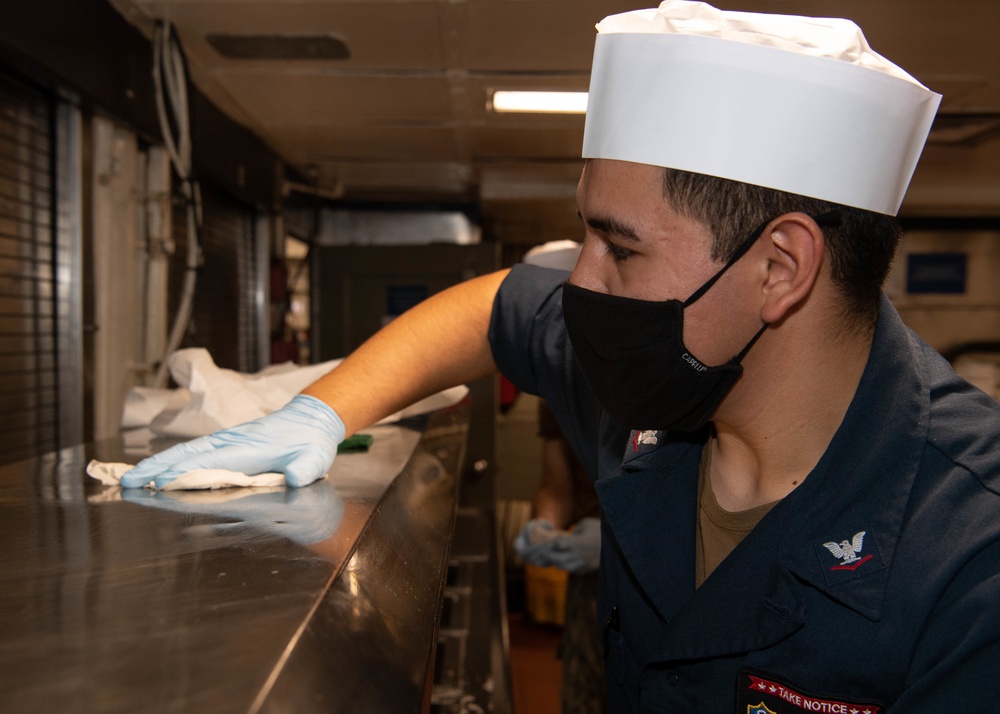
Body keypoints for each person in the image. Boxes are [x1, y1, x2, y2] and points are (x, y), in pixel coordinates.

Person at [121, 1, 1000, 710]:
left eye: (621, 249)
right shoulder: (654, 373)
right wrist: (320, 413)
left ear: (779, 268)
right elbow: (497, 305)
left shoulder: (970, 555)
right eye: (586, 233)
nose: (582, 280)